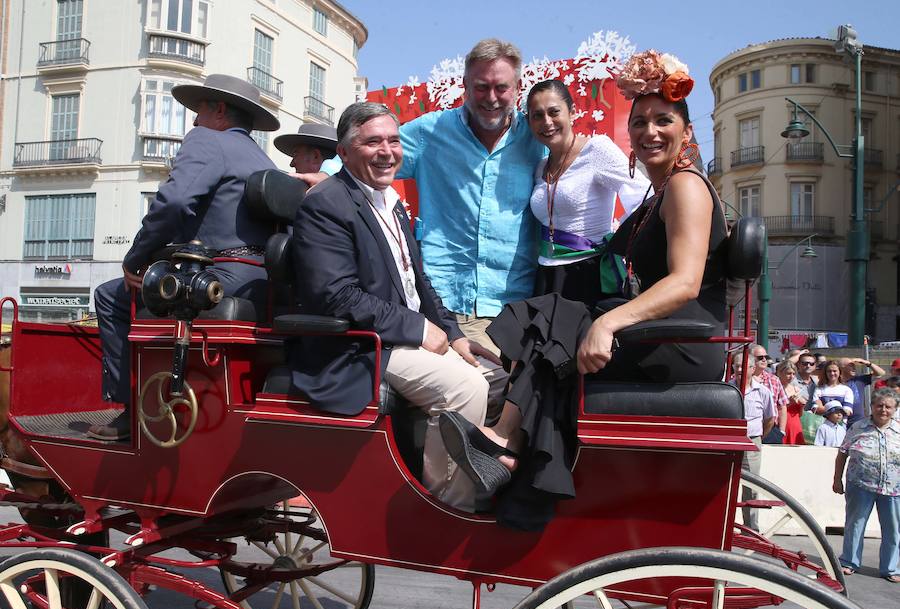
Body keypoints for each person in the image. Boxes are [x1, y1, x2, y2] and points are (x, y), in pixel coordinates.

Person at [439, 50, 730, 529]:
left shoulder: (684, 187)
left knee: (559, 324)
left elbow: (685, 282)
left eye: (663, 121)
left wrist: (608, 323)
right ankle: (508, 448)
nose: (649, 132)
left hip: (682, 340)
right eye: (639, 123)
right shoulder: (661, 192)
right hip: (662, 330)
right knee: (551, 319)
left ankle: (507, 447)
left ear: (687, 131)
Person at [287, 102, 497, 512]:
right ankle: (448, 507)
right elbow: (337, 295)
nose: (387, 151)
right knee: (466, 387)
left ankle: (470, 473)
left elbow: (419, 281)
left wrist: (453, 335)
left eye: (393, 141)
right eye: (372, 142)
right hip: (357, 346)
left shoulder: (391, 202)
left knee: (496, 374)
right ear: (344, 153)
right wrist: (419, 329)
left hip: (394, 338)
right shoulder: (326, 203)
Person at [88, 74, 279, 441]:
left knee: (110, 296)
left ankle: (129, 409)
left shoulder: (207, 140)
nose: (192, 121)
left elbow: (175, 202)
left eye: (199, 111)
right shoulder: (262, 158)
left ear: (220, 111)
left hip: (220, 278)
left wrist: (136, 258)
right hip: (260, 281)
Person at [526, 79, 649, 305]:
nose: (547, 122)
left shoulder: (597, 150)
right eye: (537, 115)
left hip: (588, 274)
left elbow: (643, 197)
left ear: (572, 112)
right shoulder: (540, 166)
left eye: (554, 112)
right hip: (546, 276)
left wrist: (617, 240)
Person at [832, 387, 899, 583]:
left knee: (893, 529)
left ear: (895, 409)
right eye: (879, 405)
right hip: (860, 485)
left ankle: (891, 568)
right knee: (855, 524)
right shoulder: (858, 427)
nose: (883, 410)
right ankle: (849, 562)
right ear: (871, 407)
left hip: (893, 489)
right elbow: (842, 453)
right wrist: (837, 479)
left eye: (888, 406)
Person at [732, 359, 775, 531]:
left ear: (753, 368)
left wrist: (757, 438)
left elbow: (770, 419)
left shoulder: (763, 391)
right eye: (737, 365)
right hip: (731, 442)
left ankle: (750, 529)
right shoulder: (727, 389)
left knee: (752, 486)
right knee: (726, 484)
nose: (741, 369)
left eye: (744, 365)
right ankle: (725, 526)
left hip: (752, 441)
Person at [750, 344, 788, 443]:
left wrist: (782, 431)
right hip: (750, 430)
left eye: (766, 357)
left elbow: (782, 406)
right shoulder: (740, 379)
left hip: (771, 430)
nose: (764, 360)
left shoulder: (774, 379)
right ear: (750, 359)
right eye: (760, 357)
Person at [840, 357, 885, 428]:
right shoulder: (835, 382)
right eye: (850, 366)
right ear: (841, 368)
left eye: (854, 366)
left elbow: (881, 373)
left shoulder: (859, 380)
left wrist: (867, 363)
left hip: (858, 423)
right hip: (840, 422)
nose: (854, 368)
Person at [776, 360, 805, 444]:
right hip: (782, 423)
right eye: (788, 373)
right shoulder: (776, 387)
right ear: (780, 373)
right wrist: (790, 402)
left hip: (795, 424)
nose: (791, 376)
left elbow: (800, 414)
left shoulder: (796, 389)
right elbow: (776, 409)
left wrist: (802, 406)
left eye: (793, 374)